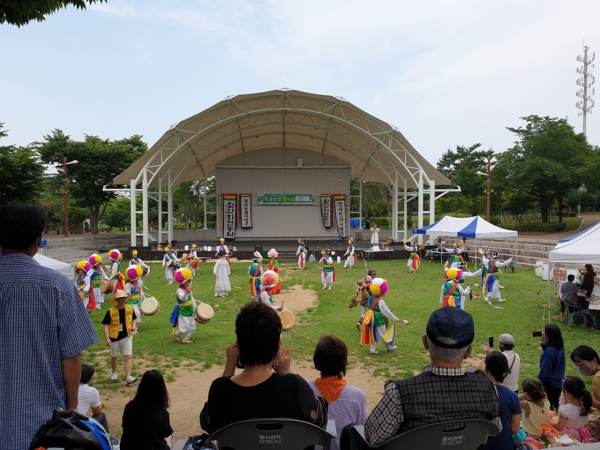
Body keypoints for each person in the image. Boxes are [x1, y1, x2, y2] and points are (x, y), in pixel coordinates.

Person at [0, 204, 98, 450]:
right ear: (39, 239)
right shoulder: (58, 286)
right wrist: (72, 402)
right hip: (41, 420)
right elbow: (71, 358)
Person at [358, 307, 501, 447]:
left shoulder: (400, 393)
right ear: (468, 352)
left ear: (425, 342)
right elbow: (495, 428)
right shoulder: (486, 388)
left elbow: (370, 434)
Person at [199, 302, 327, 433]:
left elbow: (209, 424)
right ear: (278, 346)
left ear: (239, 347)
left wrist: (229, 368)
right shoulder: (295, 386)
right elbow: (320, 421)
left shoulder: (220, 389)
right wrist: (288, 373)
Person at [308, 336, 368, 450]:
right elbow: (363, 433)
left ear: (316, 361)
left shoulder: (305, 389)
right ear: (344, 362)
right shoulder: (357, 396)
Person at [120, 369, 173, 450]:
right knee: (169, 437)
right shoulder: (161, 413)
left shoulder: (129, 407)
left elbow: (125, 429)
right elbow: (165, 434)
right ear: (161, 389)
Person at [478, 352, 521, 450]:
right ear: (504, 370)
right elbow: (515, 429)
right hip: (503, 445)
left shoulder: (474, 392)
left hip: (478, 445)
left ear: (486, 367)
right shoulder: (512, 396)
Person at [360, 278, 408, 354]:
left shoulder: (370, 298)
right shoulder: (380, 301)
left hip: (369, 317)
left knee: (373, 332)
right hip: (377, 318)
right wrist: (396, 319)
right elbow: (387, 312)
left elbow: (368, 306)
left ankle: (372, 349)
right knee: (383, 332)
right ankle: (389, 347)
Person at [102, 289, 138, 385]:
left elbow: (134, 319)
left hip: (127, 336)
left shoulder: (130, 309)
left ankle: (128, 377)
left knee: (128, 356)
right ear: (117, 300)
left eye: (124, 298)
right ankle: (114, 372)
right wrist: (107, 338)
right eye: (120, 298)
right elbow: (106, 325)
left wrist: (133, 325)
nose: (123, 300)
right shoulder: (110, 311)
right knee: (114, 356)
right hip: (114, 337)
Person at [570, 345, 600, 439]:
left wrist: (586, 400)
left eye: (582, 364)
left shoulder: (597, 378)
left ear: (594, 361)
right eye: (577, 365)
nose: (580, 368)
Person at [554, 376, 594, 442]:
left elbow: (559, 427)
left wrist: (549, 420)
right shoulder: (585, 405)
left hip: (568, 437)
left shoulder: (566, 410)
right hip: (580, 435)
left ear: (566, 393)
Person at [537, 323, 565, 411]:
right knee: (558, 404)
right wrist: (544, 342)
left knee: (549, 406)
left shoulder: (549, 352)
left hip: (549, 383)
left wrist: (538, 380)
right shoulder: (560, 347)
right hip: (558, 380)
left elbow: (545, 369)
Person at [77, 364, 110, 433]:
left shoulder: (67, 387)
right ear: (90, 378)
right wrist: (100, 404)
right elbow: (97, 412)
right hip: (78, 426)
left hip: (63, 422)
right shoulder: (92, 391)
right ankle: (107, 438)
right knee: (101, 416)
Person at [172, 268, 197, 344]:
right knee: (184, 328)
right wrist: (186, 293)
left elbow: (191, 299)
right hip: (183, 311)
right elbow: (183, 299)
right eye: (188, 280)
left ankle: (185, 339)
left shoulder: (187, 289)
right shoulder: (179, 290)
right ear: (183, 282)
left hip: (190, 310)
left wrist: (195, 307)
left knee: (192, 327)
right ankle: (176, 334)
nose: (189, 282)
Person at [125, 265, 145, 332]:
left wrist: (144, 299)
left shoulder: (139, 282)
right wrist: (128, 293)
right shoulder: (128, 284)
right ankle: (133, 328)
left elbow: (141, 291)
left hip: (138, 300)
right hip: (131, 302)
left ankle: (135, 326)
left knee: (139, 313)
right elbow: (126, 292)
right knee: (136, 313)